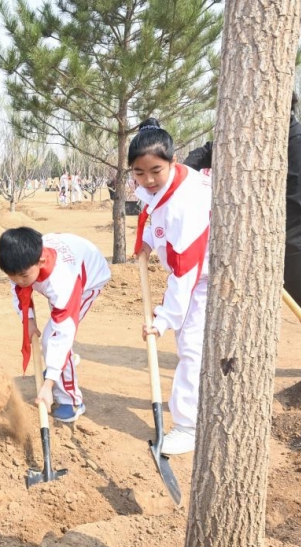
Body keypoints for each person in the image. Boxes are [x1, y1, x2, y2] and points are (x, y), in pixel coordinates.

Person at [184, 92, 301, 317]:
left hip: (295, 243)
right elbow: (207, 151)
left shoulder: (297, 145)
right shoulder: (252, 135)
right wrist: (180, 177)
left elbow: (294, 202)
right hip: (254, 243)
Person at [132, 118, 212, 456]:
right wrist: (148, 241)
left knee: (191, 347)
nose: (148, 180)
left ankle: (189, 425)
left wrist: (162, 320)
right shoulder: (165, 189)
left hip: (205, 278)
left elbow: (185, 273)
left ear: (173, 162)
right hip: (190, 274)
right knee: (194, 347)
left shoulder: (186, 203)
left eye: (155, 170)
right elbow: (155, 215)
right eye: (139, 172)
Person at [0, 227, 110, 422]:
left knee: (53, 340)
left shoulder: (63, 283)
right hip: (69, 259)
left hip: (89, 279)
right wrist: (29, 321)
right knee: (53, 343)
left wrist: (48, 385)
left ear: (40, 262)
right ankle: (58, 369)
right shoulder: (19, 264)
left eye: (23, 276)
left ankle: (71, 401)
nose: (17, 281)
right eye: (11, 275)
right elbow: (19, 291)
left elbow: (63, 332)